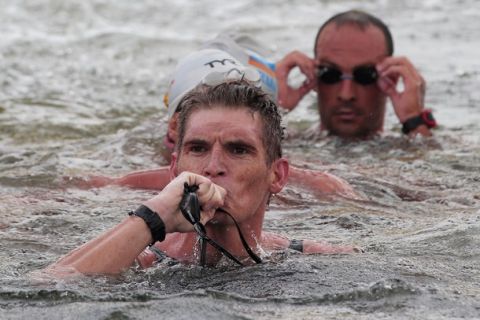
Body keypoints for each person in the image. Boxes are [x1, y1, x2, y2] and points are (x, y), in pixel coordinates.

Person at [46, 80, 358, 277]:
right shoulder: (142, 261)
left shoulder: (314, 260)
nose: (213, 166)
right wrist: (153, 218)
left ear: (277, 176)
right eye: (198, 148)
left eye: (238, 149)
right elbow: (49, 290)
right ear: (174, 170)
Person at [77, 46, 360, 200]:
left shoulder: (312, 181)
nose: (225, 113)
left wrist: (274, 111)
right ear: (175, 126)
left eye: (238, 148)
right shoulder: (135, 183)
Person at [275, 9, 437, 140]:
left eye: (364, 75)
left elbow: (431, 177)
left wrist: (413, 121)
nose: (346, 94)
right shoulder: (282, 143)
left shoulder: (408, 150)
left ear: (391, 78)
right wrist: (273, 108)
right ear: (314, 77)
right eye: (330, 74)